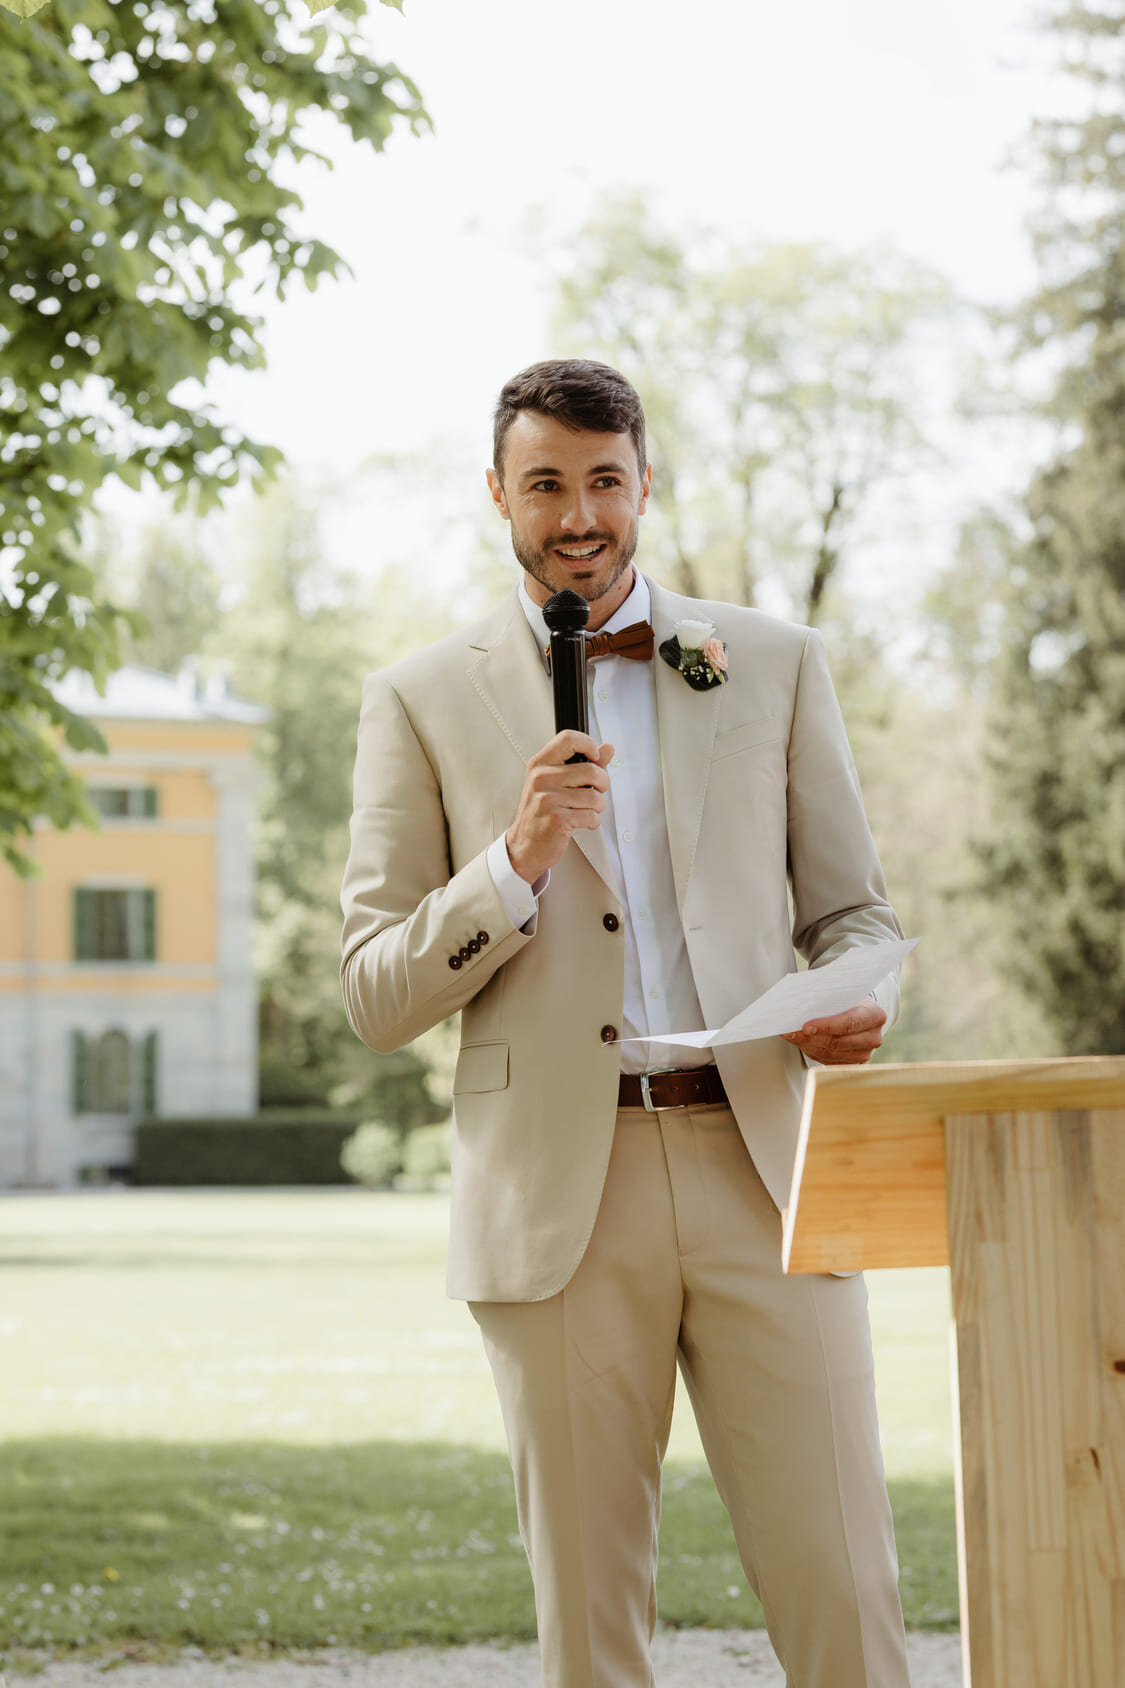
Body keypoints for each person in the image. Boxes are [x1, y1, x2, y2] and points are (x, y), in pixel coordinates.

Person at [340, 359, 911, 1688]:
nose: (579, 516)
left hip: (763, 1172)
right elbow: (375, 993)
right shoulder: (418, 698)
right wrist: (513, 863)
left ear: (645, 485)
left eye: (605, 481)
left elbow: (856, 917)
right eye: (545, 484)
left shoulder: (770, 662)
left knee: (845, 1586)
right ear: (498, 495)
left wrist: (863, 994)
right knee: (590, 1628)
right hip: (557, 1199)